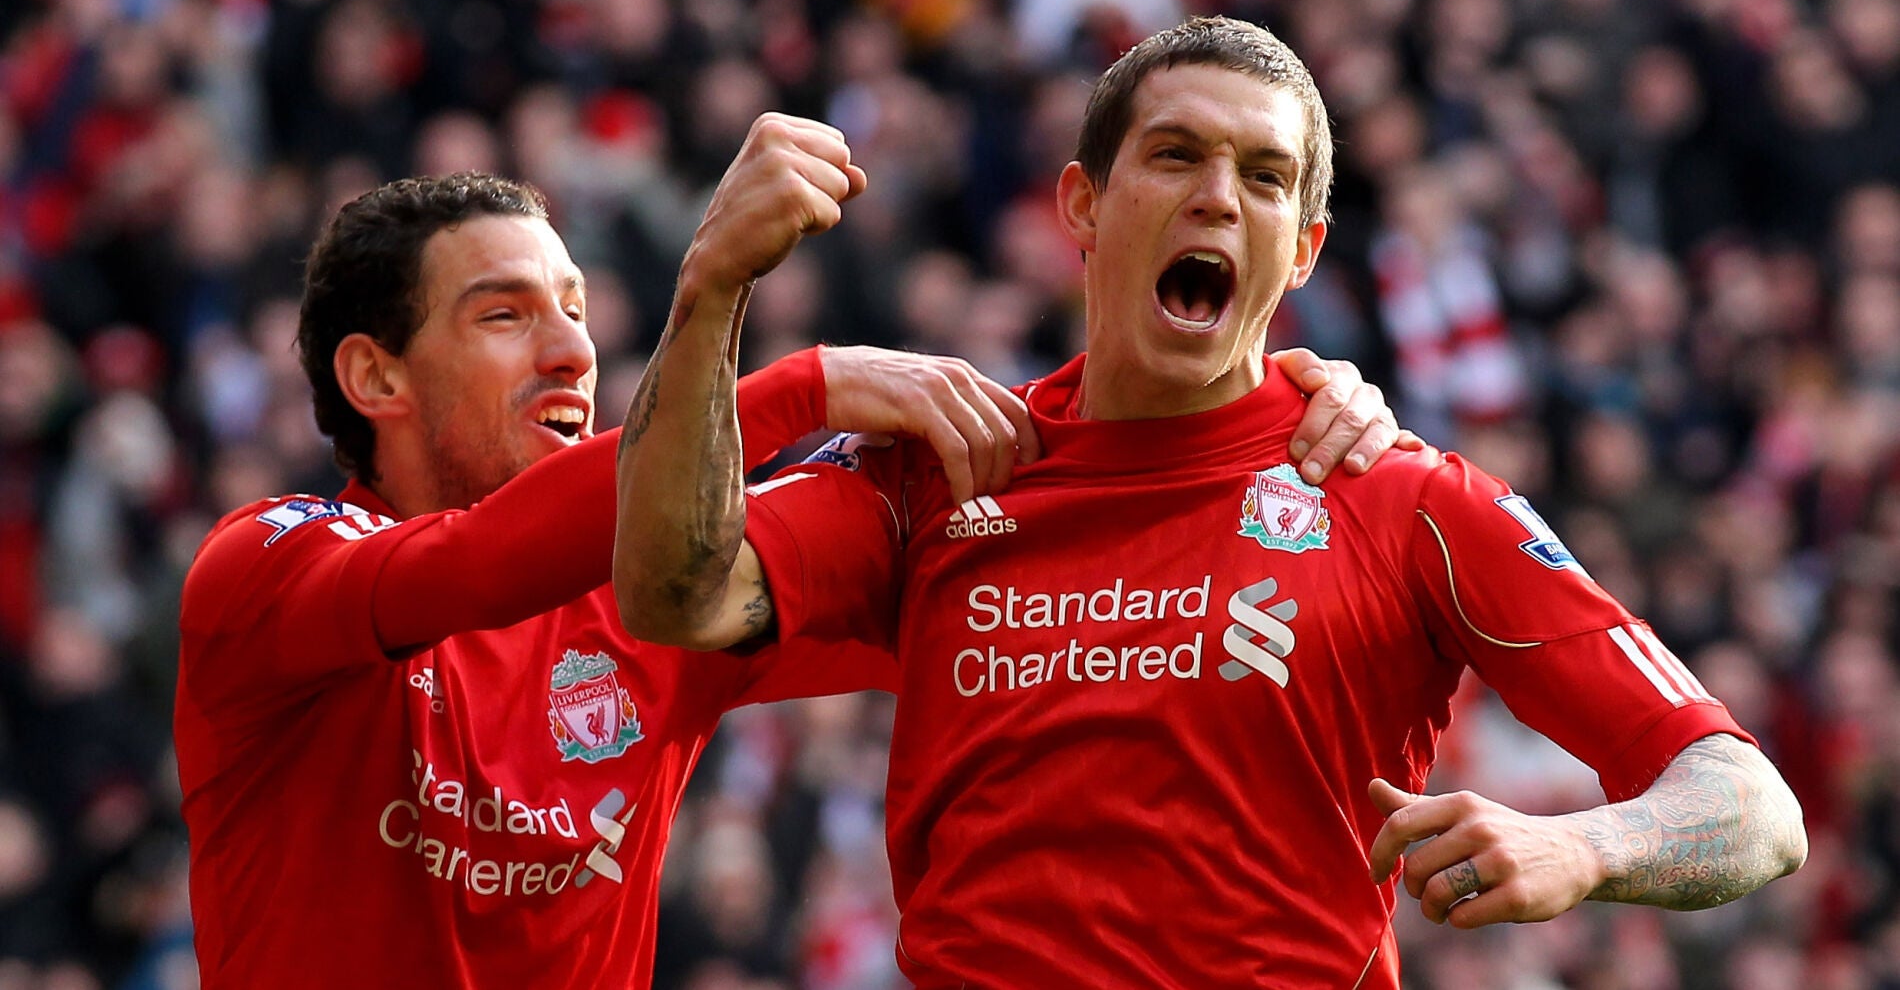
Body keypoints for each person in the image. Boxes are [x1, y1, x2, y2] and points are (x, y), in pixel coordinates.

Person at [613, 16, 1809, 988]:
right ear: (1082, 205)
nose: (1218, 198)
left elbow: (1751, 808)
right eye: (1176, 154)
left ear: (1302, 248)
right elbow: (672, 590)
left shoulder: (1398, 498)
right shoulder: (946, 468)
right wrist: (712, 291)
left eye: (1265, 175)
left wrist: (1582, 845)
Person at [173, 170, 1410, 987]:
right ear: (374, 377)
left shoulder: (653, 600)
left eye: (575, 308)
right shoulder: (269, 573)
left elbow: (1024, 582)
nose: (570, 350)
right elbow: (480, 560)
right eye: (503, 318)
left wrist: (1249, 415)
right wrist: (790, 386)